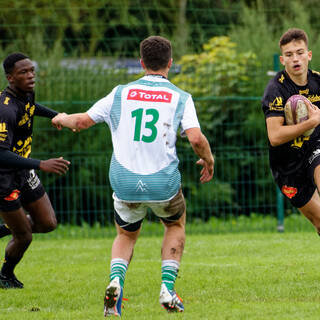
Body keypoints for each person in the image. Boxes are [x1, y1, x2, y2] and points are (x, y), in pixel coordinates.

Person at [52, 35, 214, 316]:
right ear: (170, 63)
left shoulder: (120, 93)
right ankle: (167, 289)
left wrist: (62, 118)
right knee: (174, 226)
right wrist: (209, 160)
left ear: (141, 63)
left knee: (126, 236)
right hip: (162, 183)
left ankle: (115, 282)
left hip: (124, 181)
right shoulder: (180, 97)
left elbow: (80, 122)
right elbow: (197, 139)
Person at [0, 52, 70, 289]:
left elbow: (30, 108)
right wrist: (41, 164)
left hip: (23, 171)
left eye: (32, 70)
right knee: (24, 236)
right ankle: (5, 275)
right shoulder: (5, 110)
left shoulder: (26, 93)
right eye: (24, 72)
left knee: (48, 223)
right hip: (4, 179)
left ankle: (8, 227)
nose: (31, 76)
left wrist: (57, 116)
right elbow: (1, 154)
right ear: (10, 78)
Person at [262, 28, 320, 233]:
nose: (295, 58)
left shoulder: (318, 81)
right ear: (282, 60)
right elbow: (275, 137)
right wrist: (310, 122)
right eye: (289, 55)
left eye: (300, 52)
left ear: (309, 55)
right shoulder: (276, 90)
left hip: (316, 149)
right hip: (287, 166)